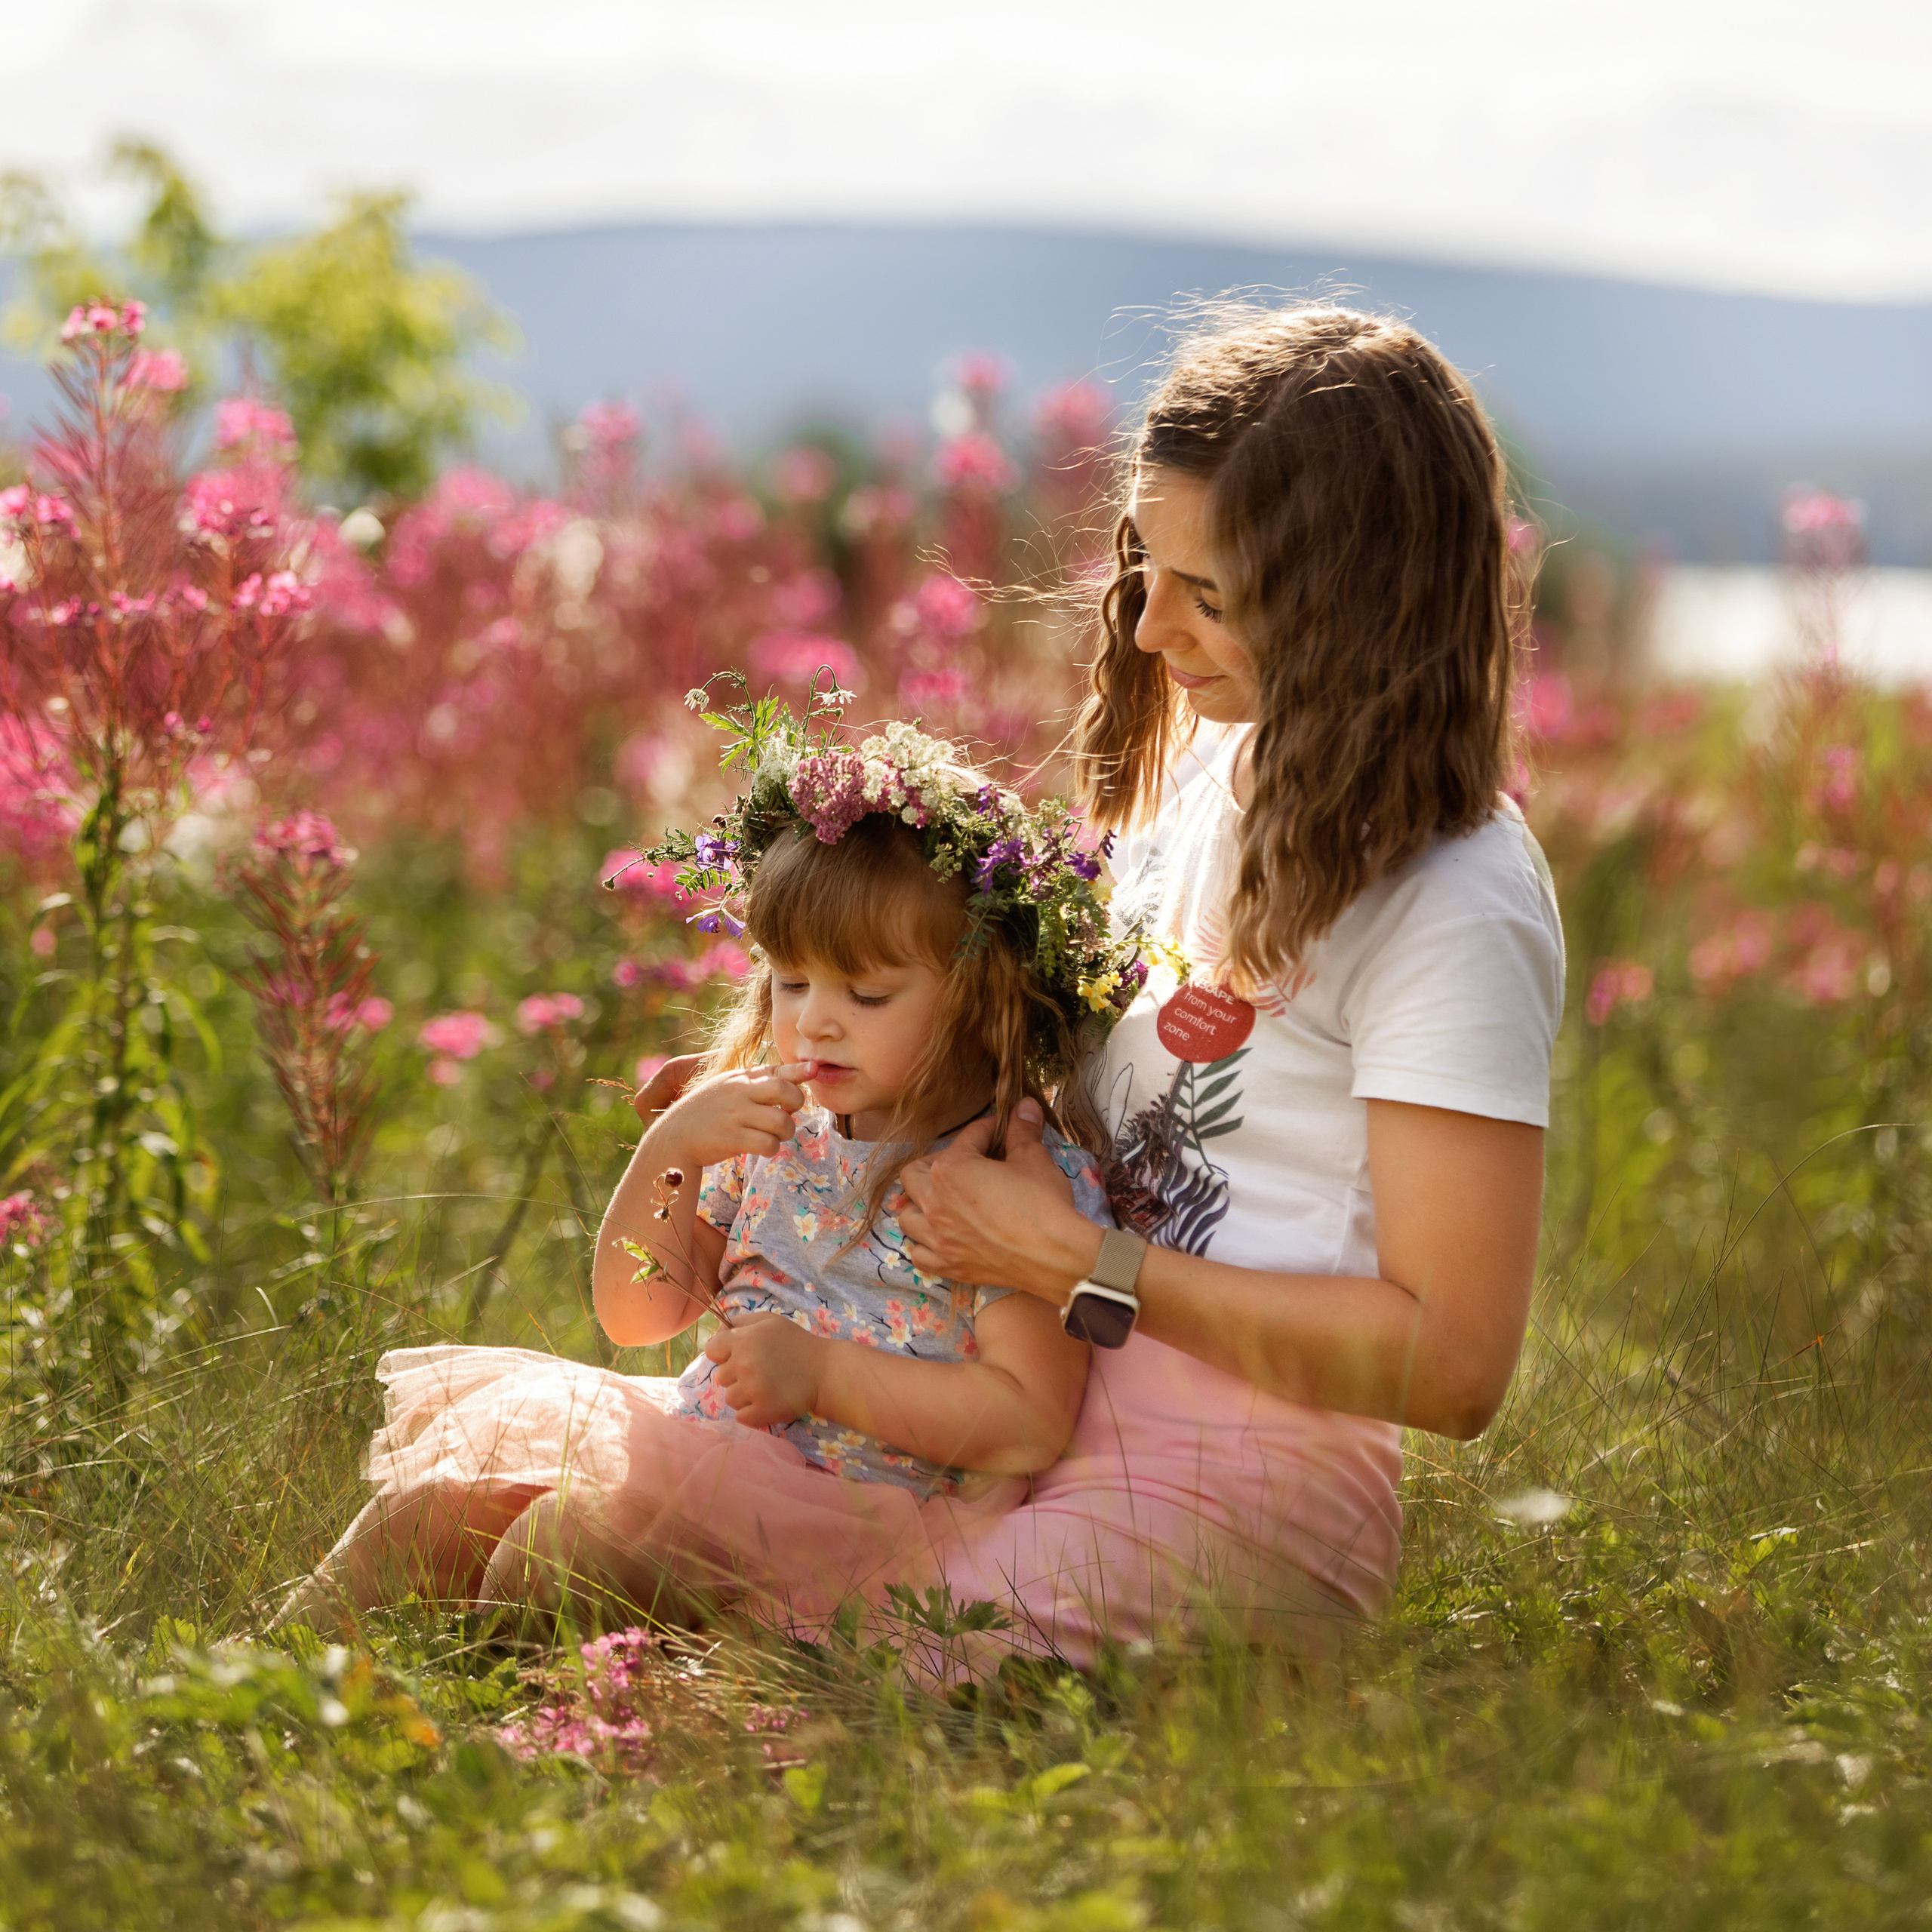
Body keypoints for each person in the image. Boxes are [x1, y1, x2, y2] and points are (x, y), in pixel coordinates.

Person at [880, 303, 1565, 1669]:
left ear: (1355, 609)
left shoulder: (1453, 896)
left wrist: (1092, 1268)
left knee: (886, 1670)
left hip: (1247, 1482)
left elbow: (1451, 1369)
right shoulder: (1202, 767)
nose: (1144, 630)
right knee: (550, 1520)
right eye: (1146, 567)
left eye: (1212, 597)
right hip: (1042, 1392)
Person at [278, 712, 1137, 1632]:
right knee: (434, 1506)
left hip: (867, 1512)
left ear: (981, 995)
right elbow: (635, 1314)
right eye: (790, 982)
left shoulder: (1002, 1177)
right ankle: (250, 1685)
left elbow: (1030, 1419)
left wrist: (821, 1376)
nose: (813, 1022)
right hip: (707, 1452)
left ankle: (523, 1727)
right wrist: (670, 1152)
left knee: (560, 1549)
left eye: (867, 993)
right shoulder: (772, 1127)